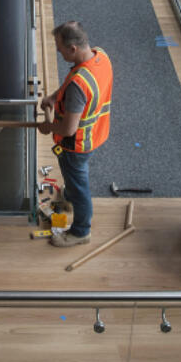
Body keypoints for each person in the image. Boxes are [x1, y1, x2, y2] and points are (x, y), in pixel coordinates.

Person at [37, 21, 113, 247]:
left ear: (73, 48)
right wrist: (54, 96)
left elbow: (69, 128)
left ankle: (81, 232)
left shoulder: (79, 84)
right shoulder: (100, 56)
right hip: (96, 134)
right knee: (75, 181)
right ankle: (69, 196)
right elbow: (74, 87)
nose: (58, 51)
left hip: (76, 144)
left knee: (80, 187)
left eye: (60, 48)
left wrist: (47, 127)